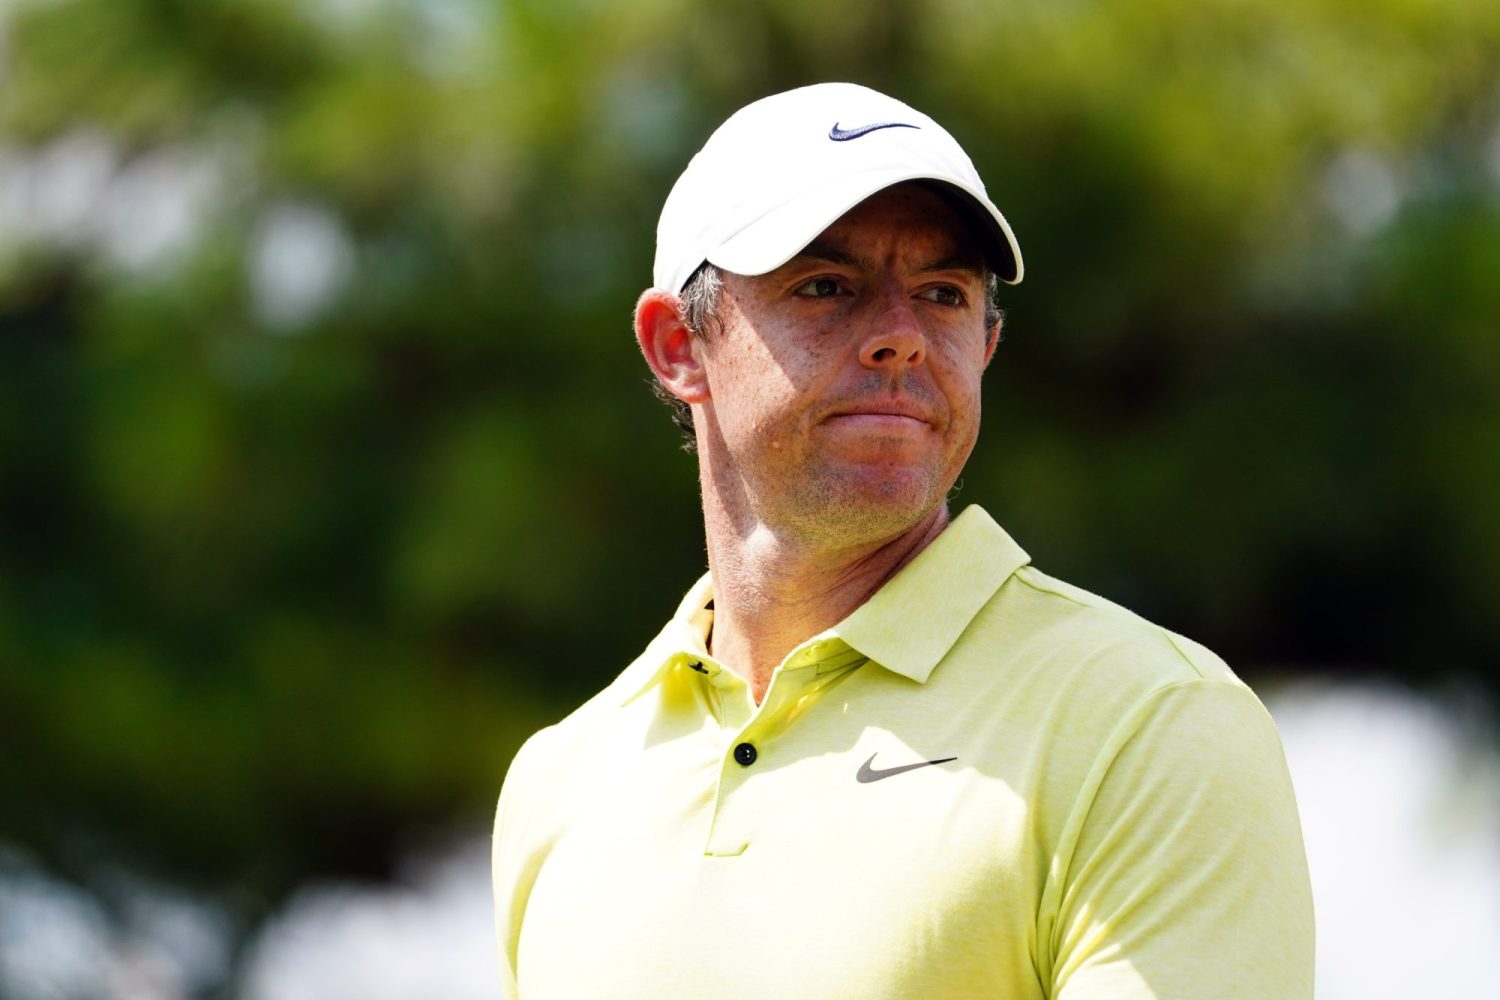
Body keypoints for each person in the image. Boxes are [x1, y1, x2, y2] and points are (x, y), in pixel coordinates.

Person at [491, 82, 1314, 999]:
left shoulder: (1154, 724)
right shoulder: (560, 780)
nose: (900, 339)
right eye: (827, 287)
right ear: (679, 344)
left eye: (943, 293)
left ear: (987, 346)